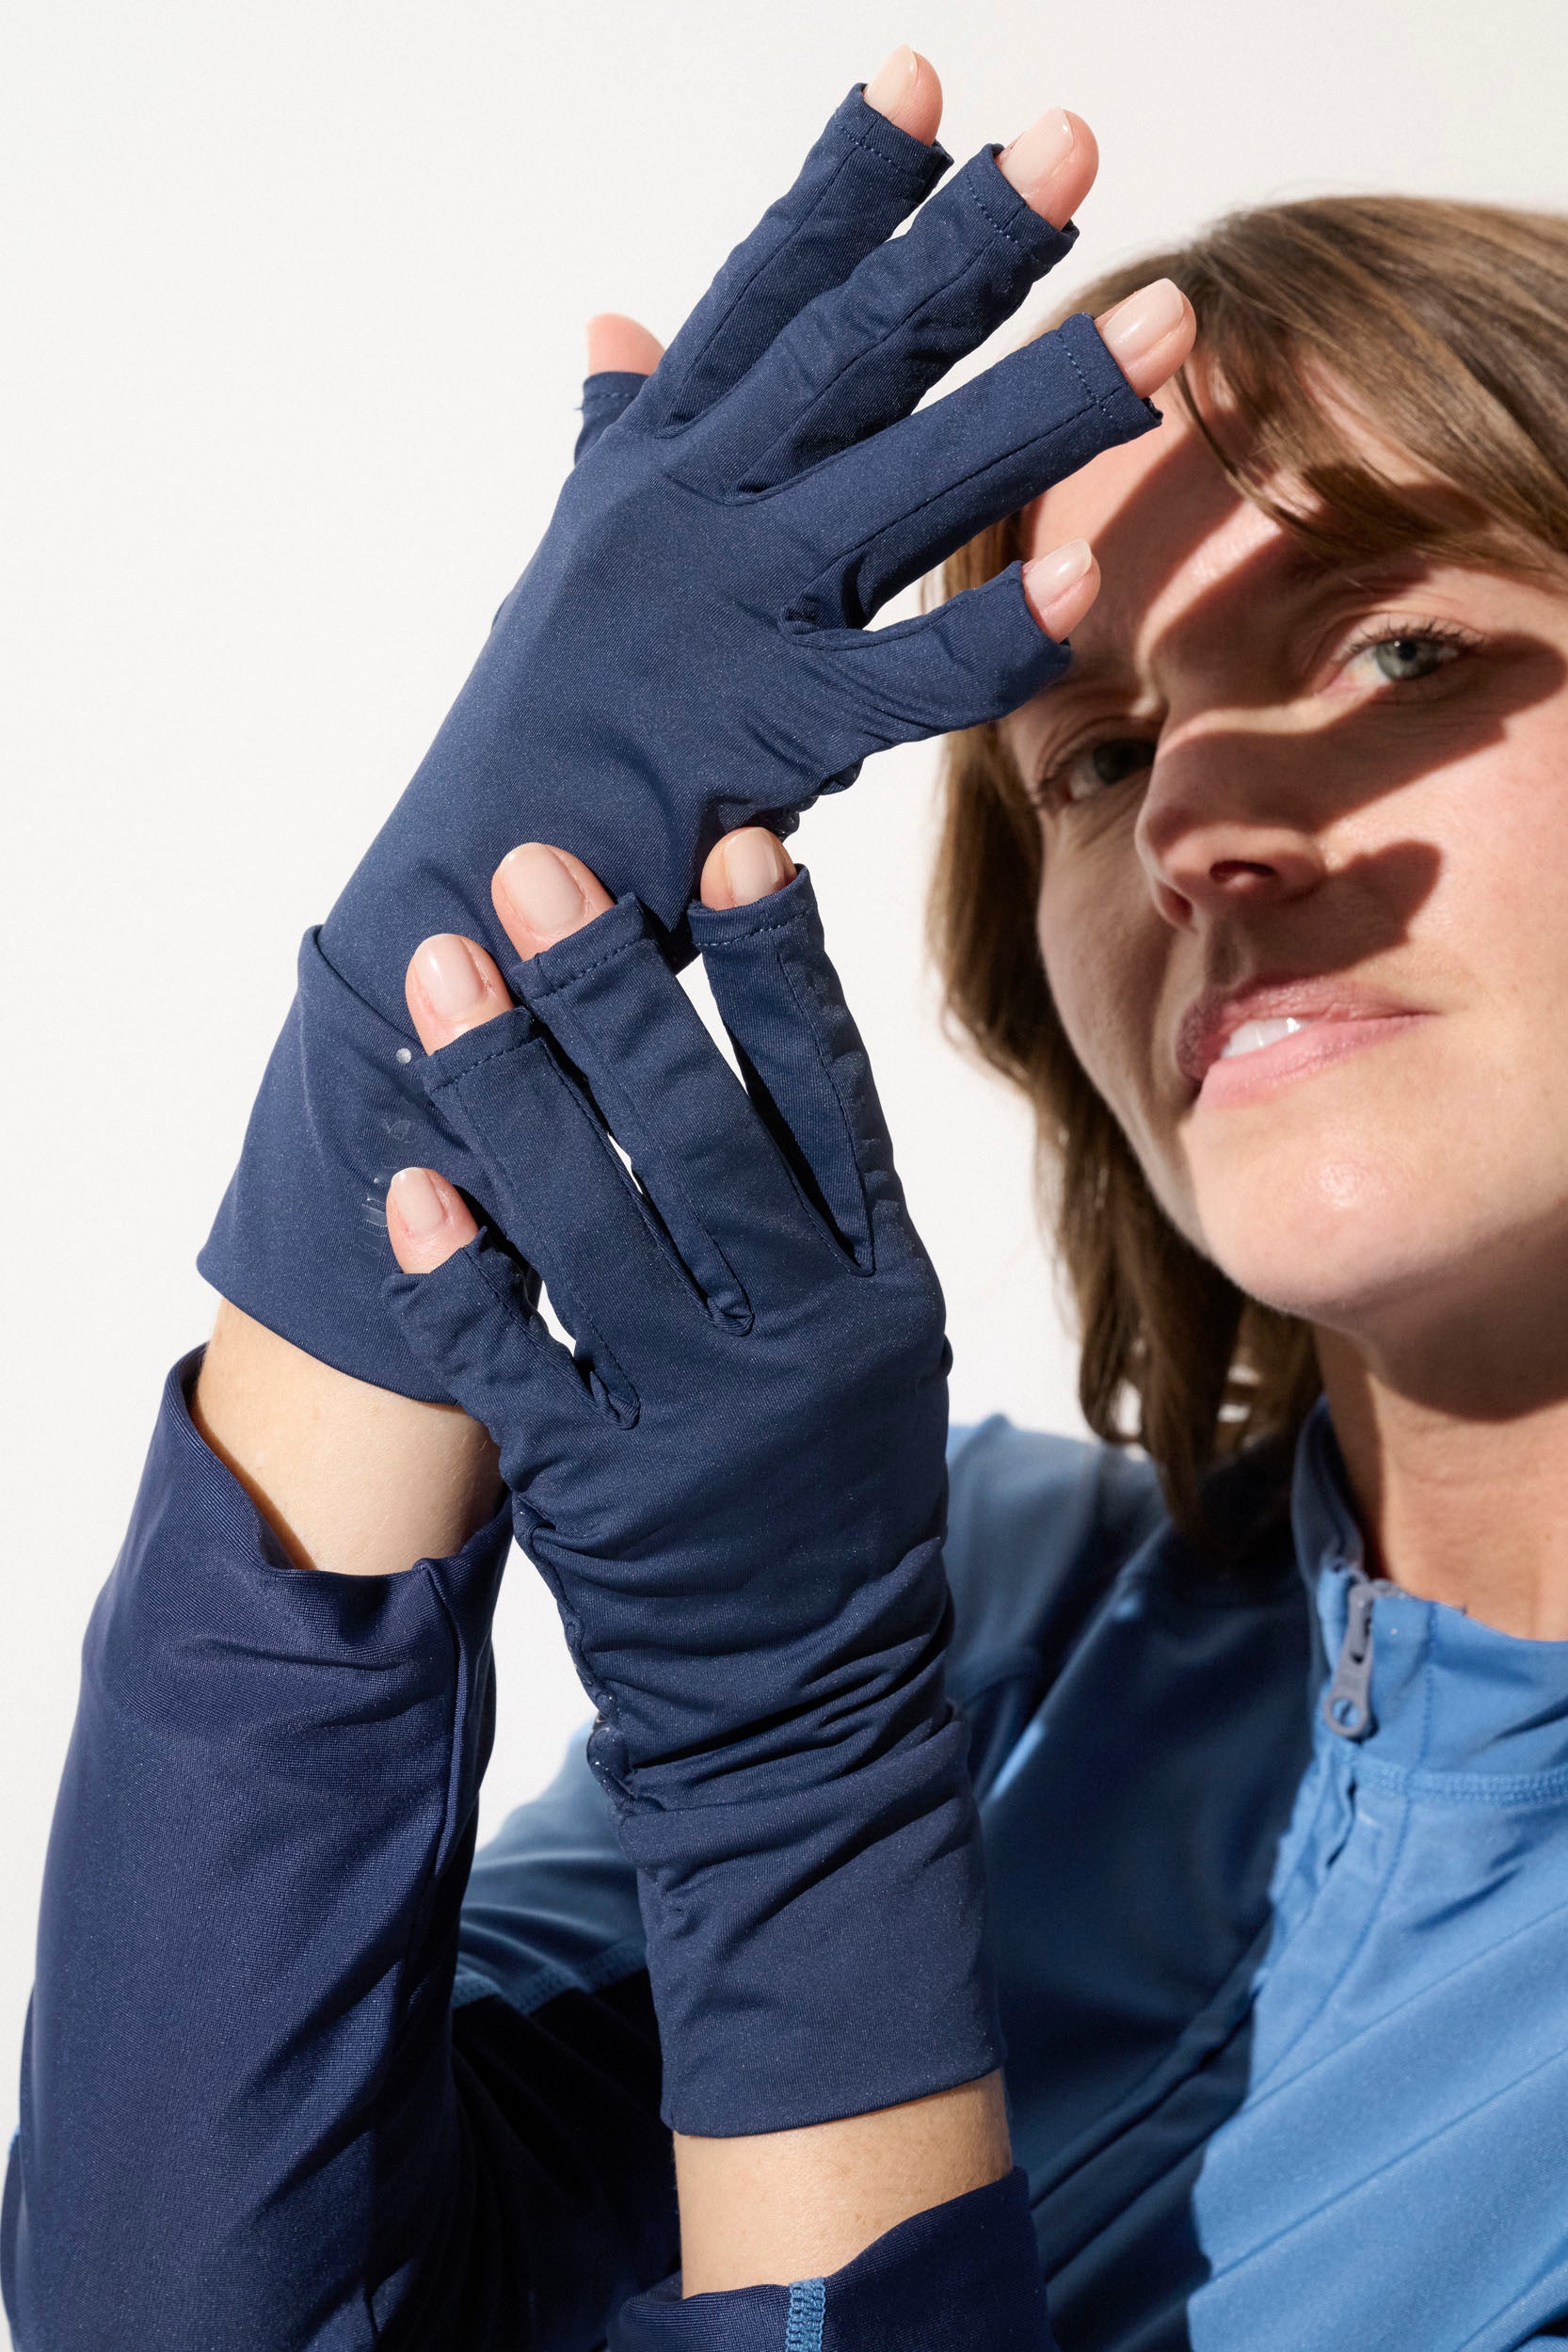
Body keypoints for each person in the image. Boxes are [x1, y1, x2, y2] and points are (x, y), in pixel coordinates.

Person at [8, 36, 1568, 2349]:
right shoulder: (978, 1607)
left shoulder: (855, 1670)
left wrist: (801, 1814)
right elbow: (183, 2303)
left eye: (1396, 645)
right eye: (1094, 754)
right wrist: (380, 1085)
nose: (1189, 827)